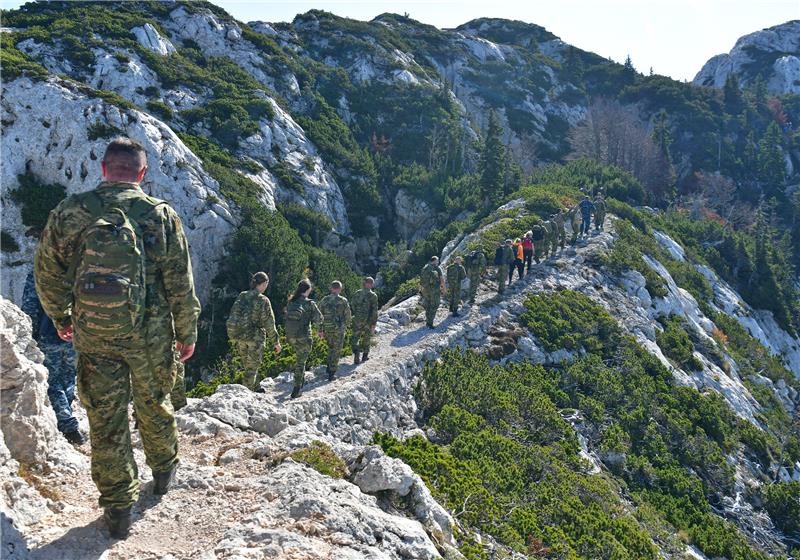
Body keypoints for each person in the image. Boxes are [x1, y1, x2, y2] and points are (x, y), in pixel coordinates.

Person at [34, 137, 201, 539]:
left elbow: (47, 272)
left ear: (104, 168)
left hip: (95, 334)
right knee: (155, 402)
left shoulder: (71, 211)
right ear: (142, 173)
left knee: (105, 420)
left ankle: (118, 506)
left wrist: (61, 316)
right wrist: (187, 331)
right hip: (151, 335)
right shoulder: (159, 214)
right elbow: (180, 280)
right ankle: (162, 471)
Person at [21, 272, 86, 445]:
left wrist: (30, 335)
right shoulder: (78, 271)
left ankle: (68, 426)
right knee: (68, 378)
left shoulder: (39, 275)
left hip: (48, 334)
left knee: (53, 381)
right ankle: (67, 418)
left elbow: (30, 306)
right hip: (75, 335)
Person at [226, 271, 281, 392]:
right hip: (255, 339)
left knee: (248, 366)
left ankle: (256, 388)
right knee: (251, 369)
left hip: (240, 337)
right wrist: (276, 342)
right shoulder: (263, 300)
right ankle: (247, 395)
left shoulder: (242, 295)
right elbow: (269, 323)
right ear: (264, 283)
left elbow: (234, 314)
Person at [284, 279, 323, 399]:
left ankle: (299, 382)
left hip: (292, 336)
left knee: (298, 359)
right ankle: (297, 388)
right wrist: (319, 330)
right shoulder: (310, 303)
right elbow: (319, 319)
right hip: (304, 336)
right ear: (308, 289)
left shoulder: (291, 301)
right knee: (301, 362)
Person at [319, 280, 351, 381]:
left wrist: (320, 330)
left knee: (330, 348)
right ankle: (332, 373)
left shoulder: (324, 300)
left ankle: (328, 367)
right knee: (336, 350)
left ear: (331, 288)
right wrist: (344, 327)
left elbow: (319, 316)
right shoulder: (343, 300)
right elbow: (348, 316)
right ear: (340, 289)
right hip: (338, 330)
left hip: (327, 329)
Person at [350, 276, 378, 364]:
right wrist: (373, 323)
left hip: (357, 319)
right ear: (372, 284)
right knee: (367, 338)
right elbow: (374, 311)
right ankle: (365, 356)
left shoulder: (357, 293)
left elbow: (352, 305)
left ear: (364, 283)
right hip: (368, 321)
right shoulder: (373, 296)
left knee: (355, 337)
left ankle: (356, 352)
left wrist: (357, 314)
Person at [419, 256, 444, 328]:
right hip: (434, 290)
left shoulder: (425, 267)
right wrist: (444, 289)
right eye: (438, 260)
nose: (438, 262)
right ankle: (430, 323)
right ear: (434, 261)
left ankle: (428, 321)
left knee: (428, 305)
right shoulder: (437, 268)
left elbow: (422, 279)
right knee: (435, 304)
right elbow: (441, 279)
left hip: (426, 290)